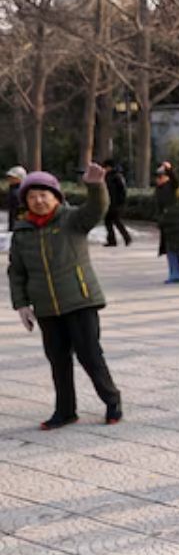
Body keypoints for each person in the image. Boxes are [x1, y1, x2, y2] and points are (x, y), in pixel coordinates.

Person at [8, 164, 123, 430]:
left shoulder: (72, 219)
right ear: (25, 201)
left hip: (80, 301)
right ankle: (65, 411)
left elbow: (97, 209)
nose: (38, 200)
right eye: (32, 196)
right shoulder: (23, 232)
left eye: (44, 195)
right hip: (47, 308)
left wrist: (96, 187)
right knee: (58, 361)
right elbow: (17, 272)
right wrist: (22, 304)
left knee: (90, 355)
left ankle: (112, 400)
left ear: (56, 197)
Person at [102, 159, 132, 247]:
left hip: (116, 204)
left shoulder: (116, 176)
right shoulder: (108, 176)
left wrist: (120, 203)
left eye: (106, 167)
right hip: (110, 203)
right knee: (109, 222)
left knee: (116, 221)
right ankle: (113, 240)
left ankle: (126, 238)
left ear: (109, 167)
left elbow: (123, 191)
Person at [6, 165, 27, 231]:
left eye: (12, 177)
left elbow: (22, 209)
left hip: (19, 225)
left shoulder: (20, 191)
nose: (9, 179)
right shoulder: (13, 189)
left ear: (20, 178)